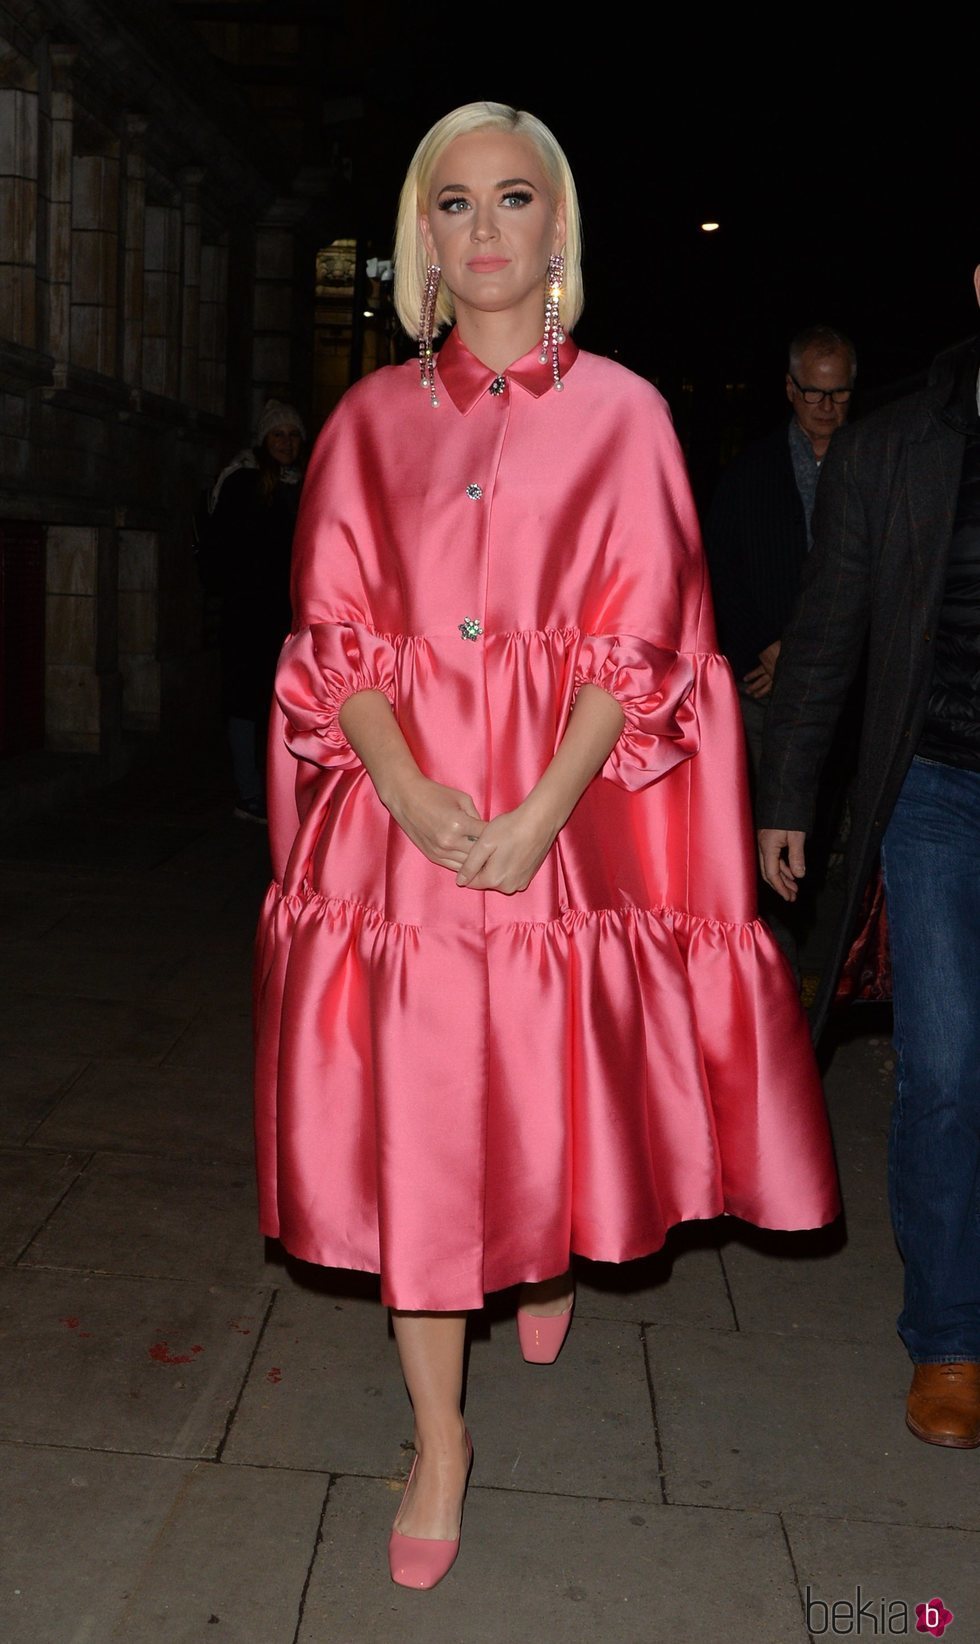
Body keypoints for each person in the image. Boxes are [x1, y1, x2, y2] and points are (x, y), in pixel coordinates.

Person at [253, 101, 840, 1590]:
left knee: (555, 1067)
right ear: (424, 242)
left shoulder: (630, 414)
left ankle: (548, 1245)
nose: (489, 228)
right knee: (428, 1125)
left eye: (517, 200)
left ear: (559, 230)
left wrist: (534, 813)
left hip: (570, 816)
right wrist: (400, 790)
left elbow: (643, 642)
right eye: (456, 205)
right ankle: (440, 1438)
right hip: (403, 828)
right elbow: (337, 642)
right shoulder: (364, 424)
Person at [757, 266, 980, 1450]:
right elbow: (828, 629)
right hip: (936, 793)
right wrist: (787, 794)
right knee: (945, 1073)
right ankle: (949, 1339)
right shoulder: (892, 448)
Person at [703, 324, 857, 980]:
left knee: (837, 828)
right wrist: (759, 648)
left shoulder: (876, 462)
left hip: (848, 683)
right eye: (814, 393)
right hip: (762, 685)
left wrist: (806, 652)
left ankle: (836, 966)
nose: (826, 407)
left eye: (840, 394)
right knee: (764, 824)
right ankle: (775, 971)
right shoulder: (749, 473)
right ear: (790, 389)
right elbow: (714, 573)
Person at [200, 399, 307, 822]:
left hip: (284, 614)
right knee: (246, 703)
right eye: (278, 435)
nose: (286, 442)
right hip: (249, 613)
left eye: (293, 435)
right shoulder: (244, 481)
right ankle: (250, 794)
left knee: (279, 704)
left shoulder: (297, 483)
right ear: (263, 440)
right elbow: (233, 550)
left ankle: (275, 793)